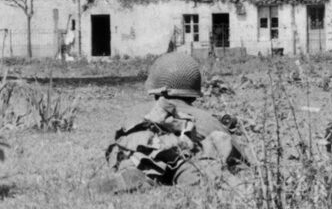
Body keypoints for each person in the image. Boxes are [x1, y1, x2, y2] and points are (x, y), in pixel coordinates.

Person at [98, 50, 247, 191]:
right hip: (186, 161)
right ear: (194, 92)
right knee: (196, 167)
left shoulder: (136, 111)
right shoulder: (207, 120)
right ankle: (184, 180)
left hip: (140, 155)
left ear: (154, 88)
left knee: (134, 159)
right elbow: (240, 156)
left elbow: (116, 143)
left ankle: (135, 174)